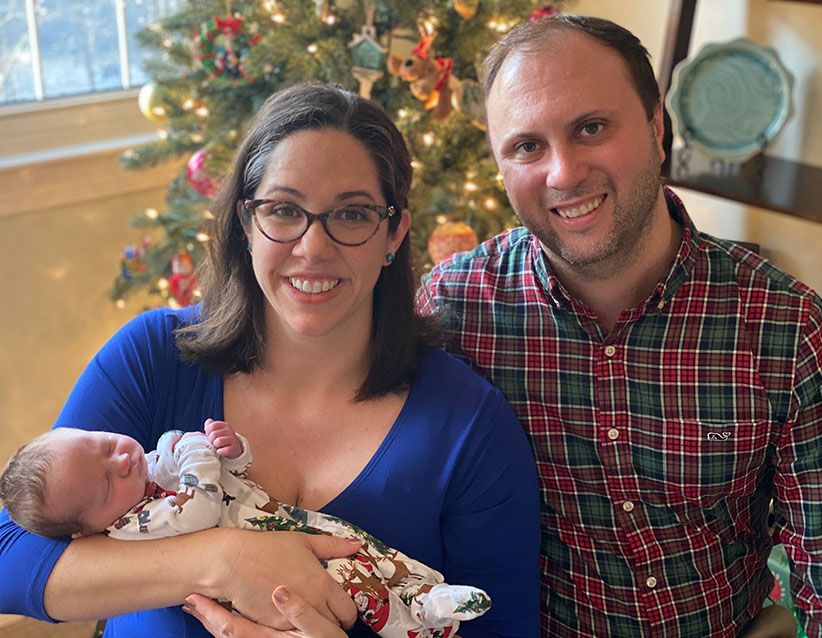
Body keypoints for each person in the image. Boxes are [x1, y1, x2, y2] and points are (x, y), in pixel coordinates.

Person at [0, 82, 540, 638]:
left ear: (394, 233)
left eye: (351, 214)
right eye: (283, 210)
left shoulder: (469, 425)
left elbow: (503, 627)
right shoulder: (153, 356)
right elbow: (9, 557)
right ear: (245, 223)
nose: (313, 247)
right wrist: (227, 561)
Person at [415, 14, 822, 638]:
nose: (562, 173)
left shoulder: (785, 326)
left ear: (656, 124)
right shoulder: (456, 309)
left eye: (591, 128)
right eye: (526, 146)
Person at [0, 423, 493, 638]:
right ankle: (418, 621)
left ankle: (426, 587)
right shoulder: (134, 526)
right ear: (88, 530)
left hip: (284, 523)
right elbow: (200, 508)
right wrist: (196, 452)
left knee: (364, 546)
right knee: (348, 583)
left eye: (104, 444)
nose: (122, 462)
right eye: (105, 487)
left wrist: (233, 450)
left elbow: (233, 474)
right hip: (277, 583)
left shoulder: (150, 468)